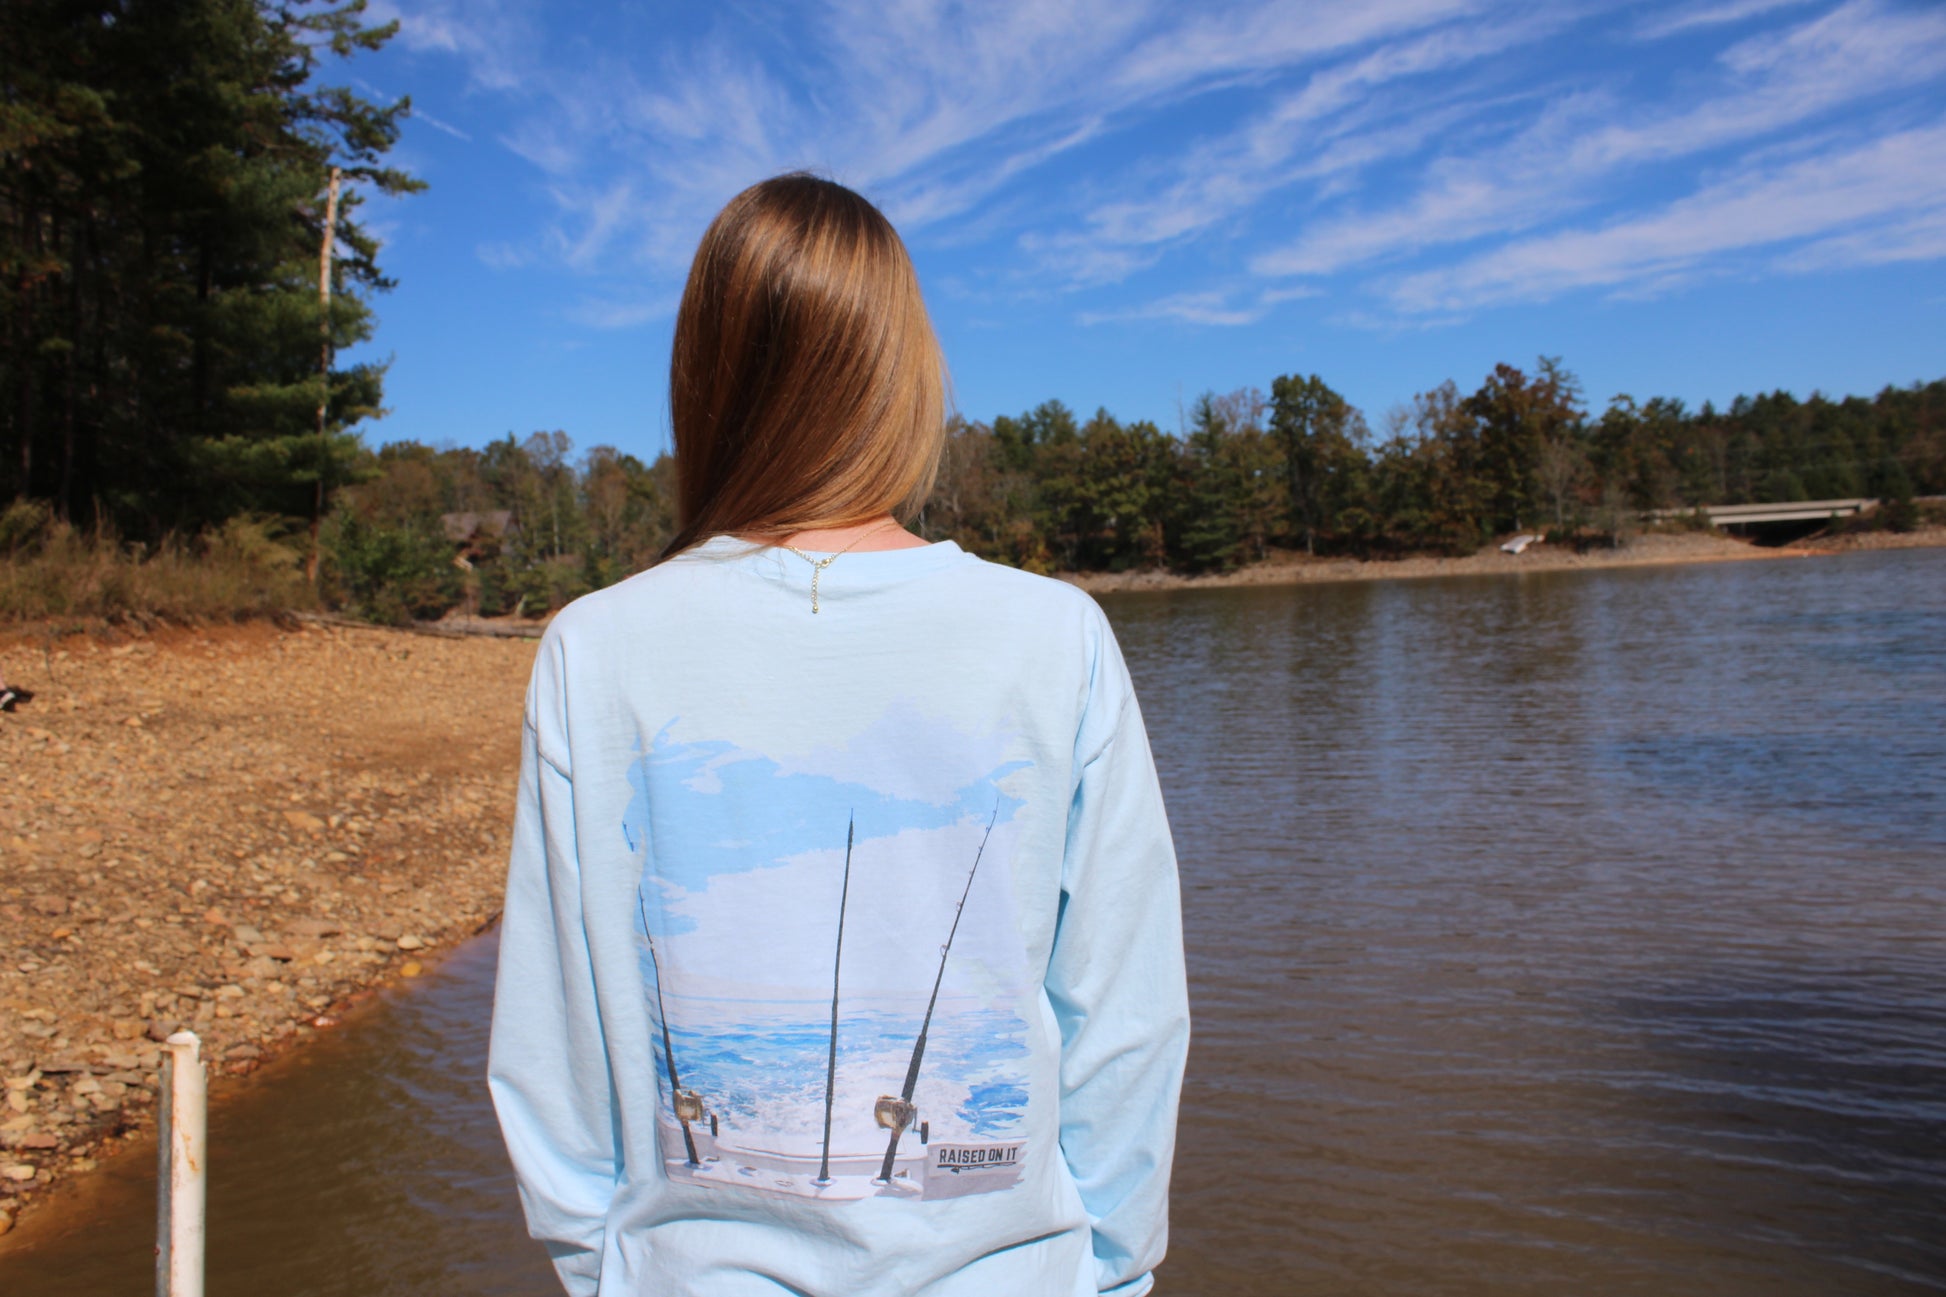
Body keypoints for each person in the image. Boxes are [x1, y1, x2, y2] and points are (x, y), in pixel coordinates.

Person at [487, 172, 1189, 1297]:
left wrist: (608, 1271)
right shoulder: (1055, 634)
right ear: (903, 371)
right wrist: (1110, 1275)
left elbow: (550, 1048)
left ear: (704, 377)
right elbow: (1124, 1021)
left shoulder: (593, 647)